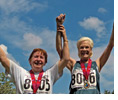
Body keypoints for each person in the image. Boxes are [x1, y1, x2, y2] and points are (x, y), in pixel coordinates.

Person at [0, 14, 69, 94]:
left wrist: (64, 37)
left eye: (41, 57)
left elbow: (65, 59)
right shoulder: (20, 73)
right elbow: (3, 58)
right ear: (29, 61)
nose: (38, 59)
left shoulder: (50, 74)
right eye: (36, 57)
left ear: (45, 62)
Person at [56, 15, 114, 94]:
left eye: (87, 47)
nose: (84, 50)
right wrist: (59, 27)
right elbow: (59, 50)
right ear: (78, 50)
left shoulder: (97, 64)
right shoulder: (73, 64)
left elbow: (111, 45)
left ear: (91, 50)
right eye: (81, 47)